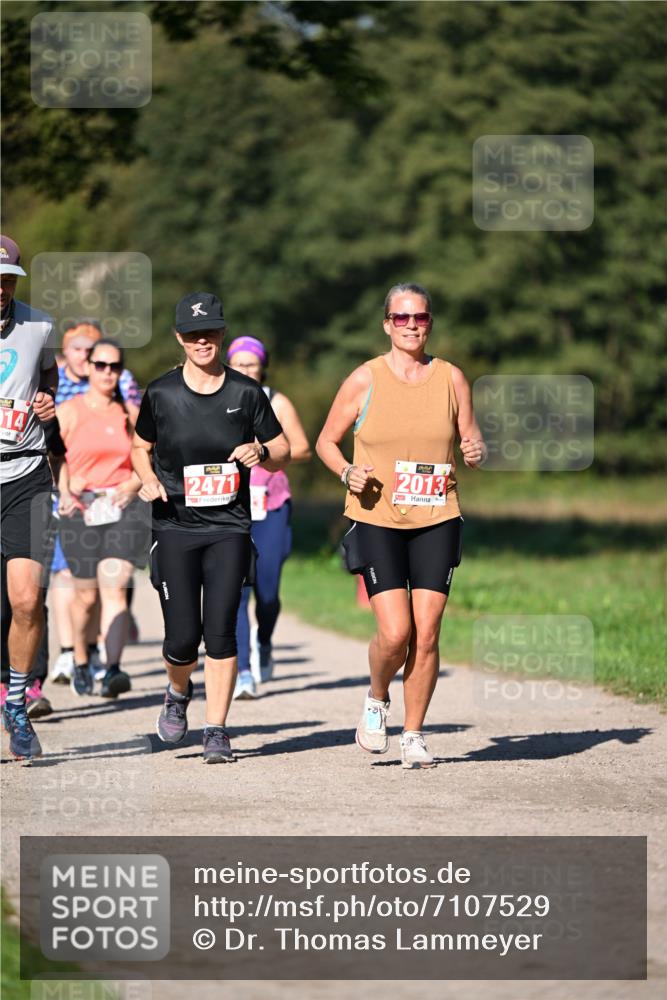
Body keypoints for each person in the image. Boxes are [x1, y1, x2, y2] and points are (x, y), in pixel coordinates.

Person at [316, 282, 485, 769]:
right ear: (386, 324)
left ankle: (413, 734)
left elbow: (470, 441)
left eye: (421, 318)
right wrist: (346, 470)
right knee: (396, 632)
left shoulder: (451, 378)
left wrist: (475, 452)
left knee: (427, 633)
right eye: (402, 318)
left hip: (437, 516)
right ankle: (375, 699)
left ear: (430, 322)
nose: (412, 326)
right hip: (376, 518)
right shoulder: (364, 379)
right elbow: (327, 442)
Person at [132, 292, 290, 763]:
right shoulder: (160, 393)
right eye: (193, 335)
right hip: (175, 525)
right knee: (181, 639)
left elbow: (282, 450)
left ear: (222, 335)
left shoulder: (246, 393)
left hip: (229, 526)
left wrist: (260, 452)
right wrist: (146, 481)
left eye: (211, 332)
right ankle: (177, 692)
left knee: (221, 631)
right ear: (180, 339)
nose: (203, 341)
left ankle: (216, 729)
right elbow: (140, 447)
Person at [50, 319, 142, 687]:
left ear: (121, 371)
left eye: (114, 366)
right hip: (80, 509)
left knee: (116, 585)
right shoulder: (69, 410)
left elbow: (148, 459)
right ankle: (82, 660)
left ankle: (114, 669)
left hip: (120, 508)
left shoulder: (130, 416)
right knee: (85, 596)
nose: (107, 372)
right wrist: (67, 491)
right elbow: (54, 458)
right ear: (88, 367)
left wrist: (133, 484)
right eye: (100, 364)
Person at [226, 335, 311, 699]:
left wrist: (263, 453)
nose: (245, 369)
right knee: (239, 591)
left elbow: (303, 448)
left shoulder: (276, 400)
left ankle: (264, 640)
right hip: (231, 505)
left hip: (272, 504)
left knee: (268, 592)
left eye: (251, 363)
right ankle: (244, 671)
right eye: (239, 363)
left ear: (263, 366)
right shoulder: (220, 399)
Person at [0, 235, 58, 761]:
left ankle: (16, 705)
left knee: (26, 599)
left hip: (25, 477)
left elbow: (49, 381)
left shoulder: (39, 326)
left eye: (6, 280)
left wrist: (47, 401)